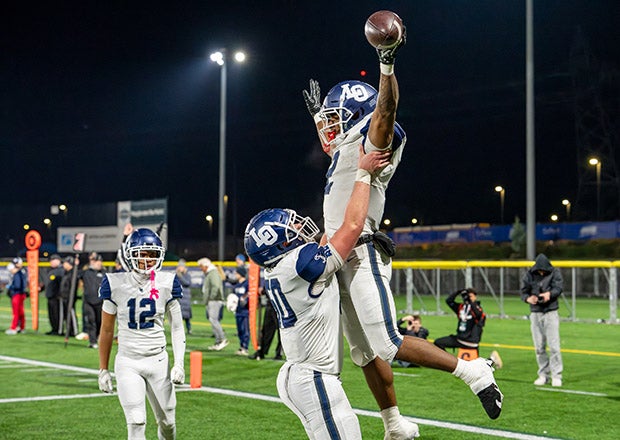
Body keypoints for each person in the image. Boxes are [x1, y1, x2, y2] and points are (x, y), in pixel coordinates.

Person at [303, 26, 503, 431]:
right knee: (364, 354)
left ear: (358, 118)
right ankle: (393, 423)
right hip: (340, 256)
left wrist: (386, 62)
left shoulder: (372, 137)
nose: (327, 127)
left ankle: (475, 371)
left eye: (334, 118)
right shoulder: (345, 148)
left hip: (361, 252)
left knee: (389, 343)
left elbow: (386, 111)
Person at [244, 144, 390, 439]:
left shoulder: (285, 267)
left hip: (299, 375)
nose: (299, 226)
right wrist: (362, 173)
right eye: (292, 227)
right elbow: (350, 226)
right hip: (314, 377)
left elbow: (334, 233)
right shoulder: (300, 263)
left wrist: (343, 168)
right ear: (279, 243)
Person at [98, 228, 185, 440]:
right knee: (136, 421)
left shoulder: (167, 282)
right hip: (128, 361)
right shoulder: (114, 284)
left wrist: (179, 363)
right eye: (142, 254)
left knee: (168, 423)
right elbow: (107, 330)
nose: (147, 260)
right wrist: (103, 369)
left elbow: (177, 327)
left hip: (158, 360)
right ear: (129, 255)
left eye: (152, 254)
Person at [521, 253, 564, 387]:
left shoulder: (554, 273)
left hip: (551, 311)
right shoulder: (529, 274)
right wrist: (529, 299)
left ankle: (556, 375)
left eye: (543, 270)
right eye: (539, 270)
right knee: (539, 346)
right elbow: (523, 292)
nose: (541, 272)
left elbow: (558, 288)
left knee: (554, 346)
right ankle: (543, 375)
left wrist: (549, 295)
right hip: (535, 312)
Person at [198, 257, 228, 351]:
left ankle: (222, 339)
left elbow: (215, 286)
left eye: (201, 266)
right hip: (213, 300)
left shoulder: (213, 273)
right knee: (213, 320)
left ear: (206, 265)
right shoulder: (210, 273)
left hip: (214, 300)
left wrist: (211, 297)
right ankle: (218, 341)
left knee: (213, 320)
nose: (200, 268)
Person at [79, 252, 106, 348]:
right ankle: (92, 341)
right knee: (91, 321)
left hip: (100, 301)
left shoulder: (103, 273)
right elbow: (76, 275)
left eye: (99, 262)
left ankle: (98, 337)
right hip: (88, 301)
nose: (98, 264)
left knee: (99, 321)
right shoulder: (86, 272)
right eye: (96, 262)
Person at [249, 287, 283, 361]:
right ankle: (261, 351)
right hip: (270, 304)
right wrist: (263, 290)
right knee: (266, 330)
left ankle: (279, 353)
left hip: (280, 305)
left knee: (281, 331)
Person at [5, 257, 28, 335]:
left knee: (16, 312)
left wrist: (11, 287)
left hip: (17, 293)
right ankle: (21, 327)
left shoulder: (19, 272)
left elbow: (17, 285)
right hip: (21, 293)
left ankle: (14, 328)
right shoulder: (23, 271)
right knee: (20, 312)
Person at [44, 254, 64, 335]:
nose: (51, 262)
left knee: (57, 314)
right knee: (51, 314)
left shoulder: (61, 271)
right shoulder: (51, 270)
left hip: (56, 297)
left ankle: (58, 330)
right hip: (50, 296)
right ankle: (54, 329)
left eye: (52, 260)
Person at [58, 256, 79, 337]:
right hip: (64, 297)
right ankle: (68, 330)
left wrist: (71, 297)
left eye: (65, 263)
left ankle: (74, 331)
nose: (63, 264)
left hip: (69, 298)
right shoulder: (66, 273)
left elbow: (72, 287)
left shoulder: (73, 274)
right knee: (65, 315)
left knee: (71, 314)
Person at [231, 267, 250, 356]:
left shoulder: (247, 284)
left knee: (245, 330)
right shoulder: (236, 285)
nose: (235, 275)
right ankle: (241, 346)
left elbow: (249, 295)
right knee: (239, 331)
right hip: (238, 311)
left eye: (237, 273)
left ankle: (245, 347)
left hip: (245, 311)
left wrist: (244, 300)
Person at [175, 259, 193, 335]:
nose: (179, 268)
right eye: (179, 266)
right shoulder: (176, 275)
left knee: (187, 316)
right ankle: (179, 330)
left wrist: (180, 276)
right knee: (179, 316)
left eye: (181, 266)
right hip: (179, 298)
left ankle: (189, 329)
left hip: (186, 297)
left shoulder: (187, 275)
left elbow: (187, 283)